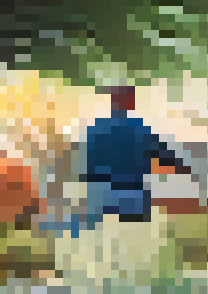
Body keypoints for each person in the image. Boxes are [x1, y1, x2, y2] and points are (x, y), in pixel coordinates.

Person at [79, 85, 194, 227]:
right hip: (132, 196)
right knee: (134, 233)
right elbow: (160, 151)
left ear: (112, 102)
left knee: (102, 234)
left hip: (101, 196)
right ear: (130, 103)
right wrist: (183, 167)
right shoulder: (138, 129)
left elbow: (85, 164)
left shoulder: (97, 129)